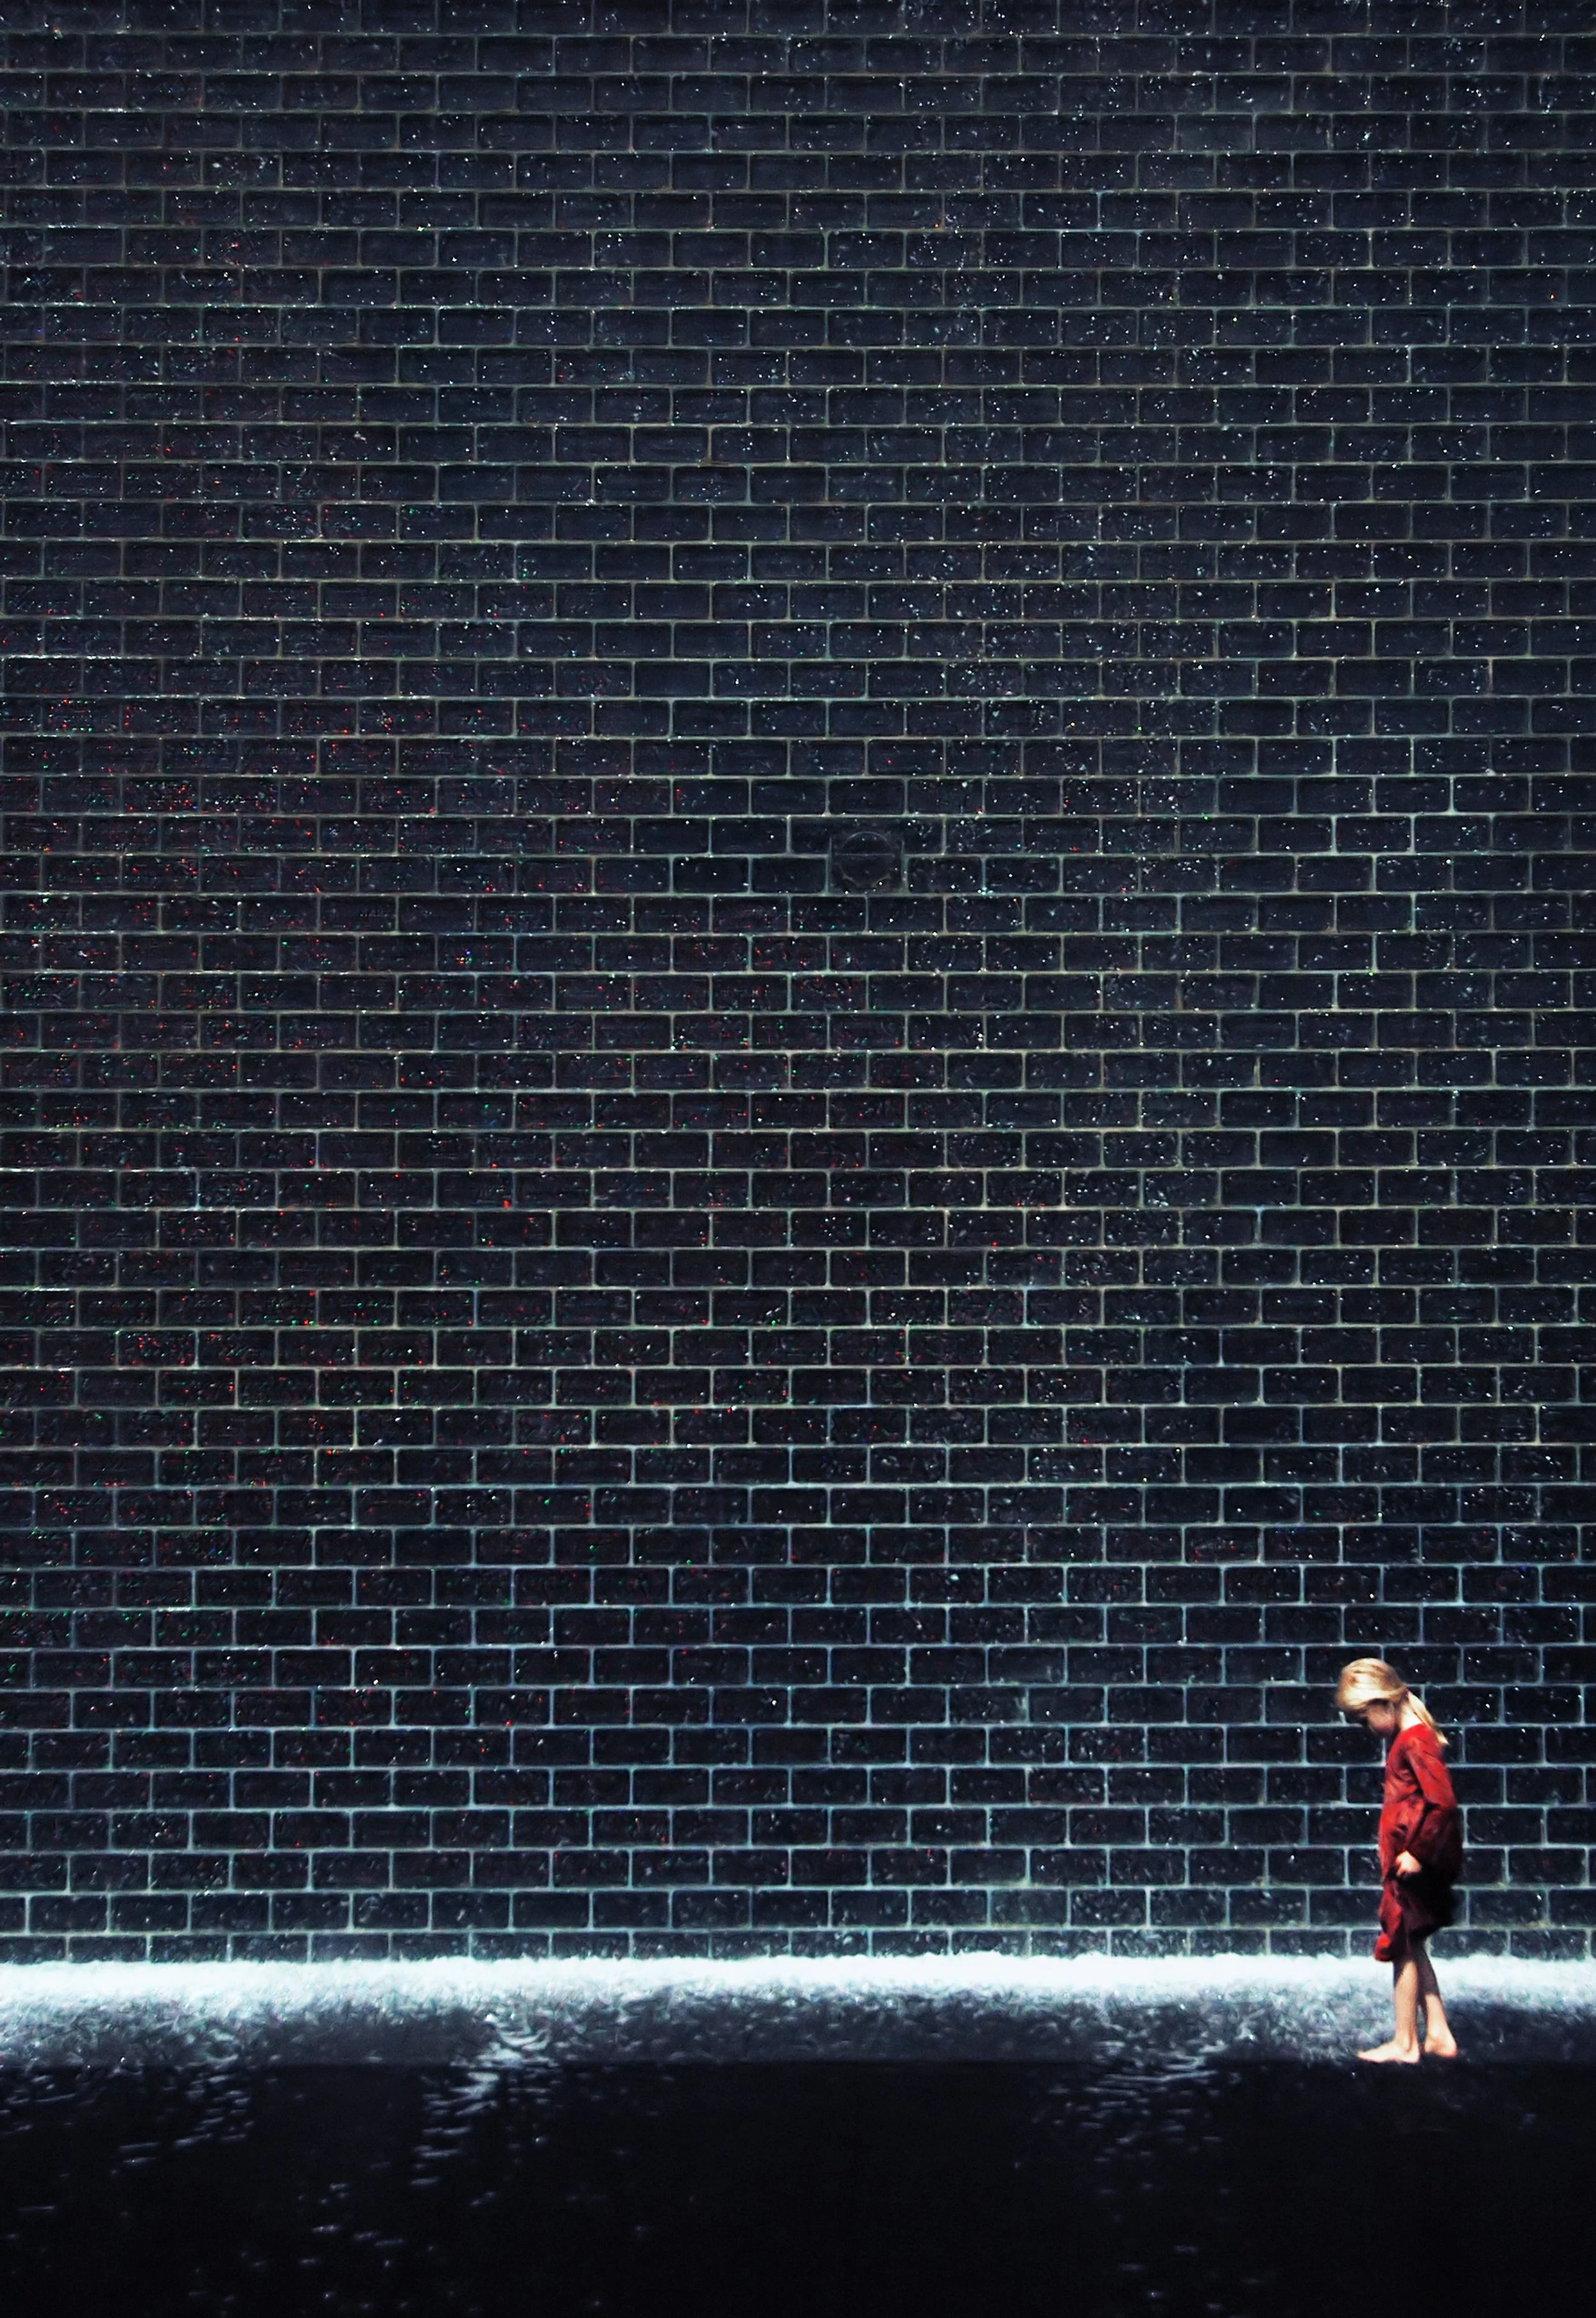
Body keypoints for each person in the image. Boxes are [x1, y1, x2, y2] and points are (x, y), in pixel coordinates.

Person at [1335, 1658, 1463, 2063]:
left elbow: (1442, 1803)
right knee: (1415, 1943)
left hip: (1412, 1864)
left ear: (1383, 1704)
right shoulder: (1410, 1738)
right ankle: (1439, 2033)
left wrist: (1417, 1853)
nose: (1365, 1729)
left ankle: (1405, 2043)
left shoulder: (1414, 1740)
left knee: (1401, 1946)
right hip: (1408, 1862)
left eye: (1363, 1719)